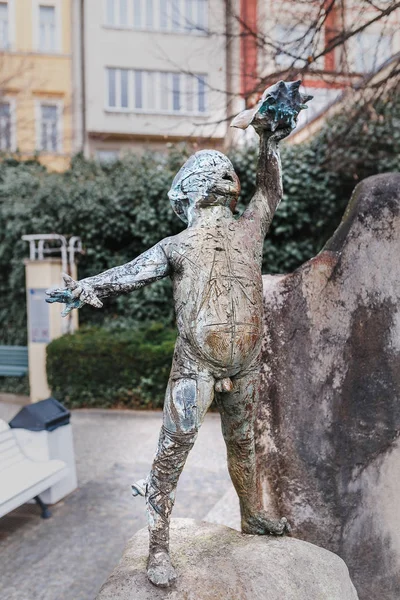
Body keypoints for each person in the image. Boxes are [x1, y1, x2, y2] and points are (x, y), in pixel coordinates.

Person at [47, 80, 312, 588]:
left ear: (190, 194)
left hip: (242, 362)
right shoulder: (196, 241)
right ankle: (159, 545)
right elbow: (128, 272)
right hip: (199, 364)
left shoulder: (235, 232)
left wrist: (269, 143)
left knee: (234, 445)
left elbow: (268, 192)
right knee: (180, 448)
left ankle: (248, 516)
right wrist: (84, 287)